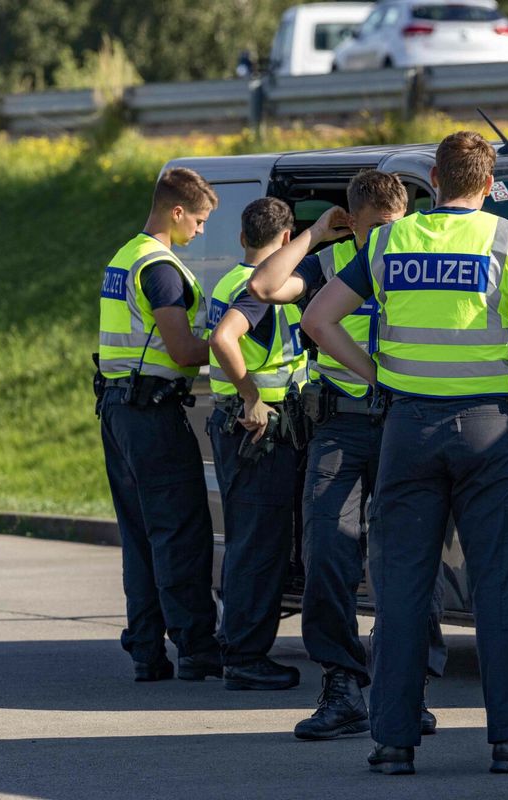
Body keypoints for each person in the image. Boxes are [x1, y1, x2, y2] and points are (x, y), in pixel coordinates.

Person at [303, 131, 508, 776]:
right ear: (487, 185)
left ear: (433, 178)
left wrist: (375, 376)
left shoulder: (386, 241)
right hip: (491, 430)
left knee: (401, 588)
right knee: (501, 586)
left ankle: (393, 741)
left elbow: (319, 321)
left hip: (407, 428)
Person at [248, 171, 446, 738]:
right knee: (327, 548)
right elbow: (264, 288)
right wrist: (311, 237)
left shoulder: (415, 263)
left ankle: (411, 686)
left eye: (394, 224)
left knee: (412, 555)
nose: (385, 234)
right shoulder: (330, 265)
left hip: (406, 423)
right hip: (343, 425)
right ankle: (341, 685)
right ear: (351, 222)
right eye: (373, 226)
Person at [96, 167, 223, 684]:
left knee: (141, 535)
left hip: (119, 409)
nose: (200, 230)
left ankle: (147, 651)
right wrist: (235, 342)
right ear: (175, 212)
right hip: (151, 413)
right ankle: (196, 646)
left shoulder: (123, 256)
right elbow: (183, 349)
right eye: (197, 219)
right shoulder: (161, 269)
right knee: (179, 531)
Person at [207, 197, 307, 690]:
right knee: (260, 545)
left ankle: (237, 645)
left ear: (243, 236)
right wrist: (252, 395)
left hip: (236, 428)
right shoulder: (263, 293)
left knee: (248, 539)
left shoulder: (226, 281)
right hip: (258, 430)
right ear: (287, 240)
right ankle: (246, 655)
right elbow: (223, 342)